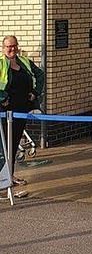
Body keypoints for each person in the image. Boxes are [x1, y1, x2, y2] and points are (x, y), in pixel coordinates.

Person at [0, 35, 45, 186]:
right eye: (8, 46)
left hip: (21, 110)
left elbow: (40, 75)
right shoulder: (1, 63)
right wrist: (2, 98)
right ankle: (3, 179)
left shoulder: (24, 62)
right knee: (4, 145)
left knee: (13, 145)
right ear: (3, 48)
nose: (12, 49)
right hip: (4, 111)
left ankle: (10, 176)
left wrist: (35, 92)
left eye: (14, 46)